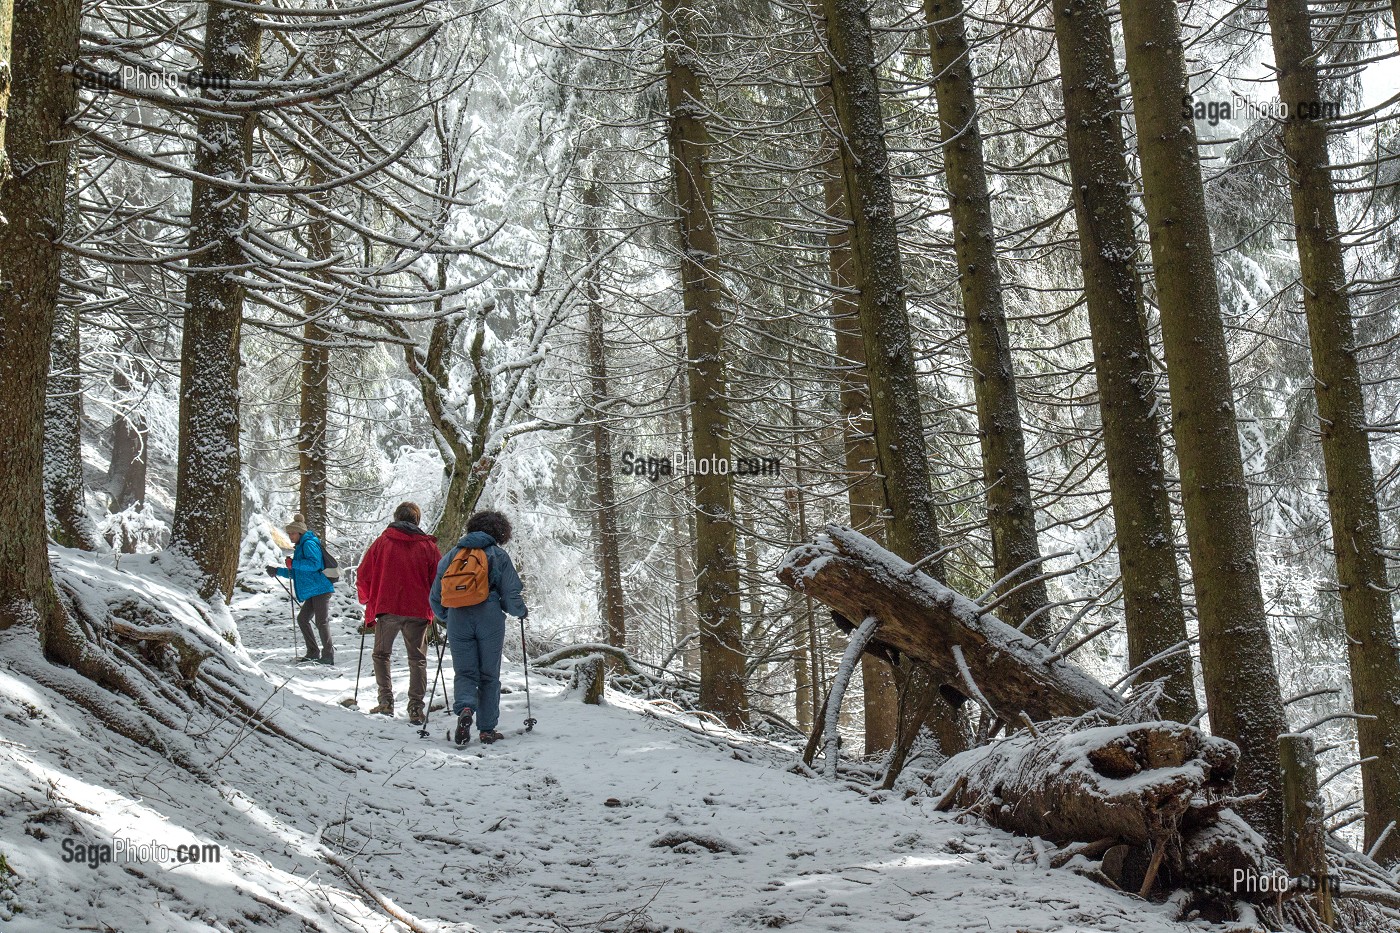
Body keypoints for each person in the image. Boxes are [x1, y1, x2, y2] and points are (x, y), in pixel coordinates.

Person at [430, 509, 528, 746]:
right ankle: (486, 730)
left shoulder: (453, 555)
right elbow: (510, 592)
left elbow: (436, 595)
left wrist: (447, 616)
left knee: (465, 672)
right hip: (489, 617)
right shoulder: (498, 555)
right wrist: (520, 612)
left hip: (458, 619)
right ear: (501, 532)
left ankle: (465, 708)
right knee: (489, 675)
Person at [356, 502, 443, 723]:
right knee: (418, 658)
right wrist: (438, 605)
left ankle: (385, 702)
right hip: (417, 609)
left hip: (388, 607)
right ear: (417, 521)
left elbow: (364, 573)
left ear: (396, 518)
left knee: (381, 654)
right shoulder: (428, 547)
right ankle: (415, 707)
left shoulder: (382, 543)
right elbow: (438, 579)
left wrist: (365, 598)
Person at [266, 513, 336, 665]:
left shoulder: (309, 544)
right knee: (303, 619)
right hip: (313, 590)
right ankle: (313, 652)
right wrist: (277, 571)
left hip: (321, 588)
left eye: (292, 533)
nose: (290, 536)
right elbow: (297, 573)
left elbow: (315, 564)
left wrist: (294, 564)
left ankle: (328, 655)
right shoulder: (300, 546)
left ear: (300, 533)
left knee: (321, 622)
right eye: (289, 533)